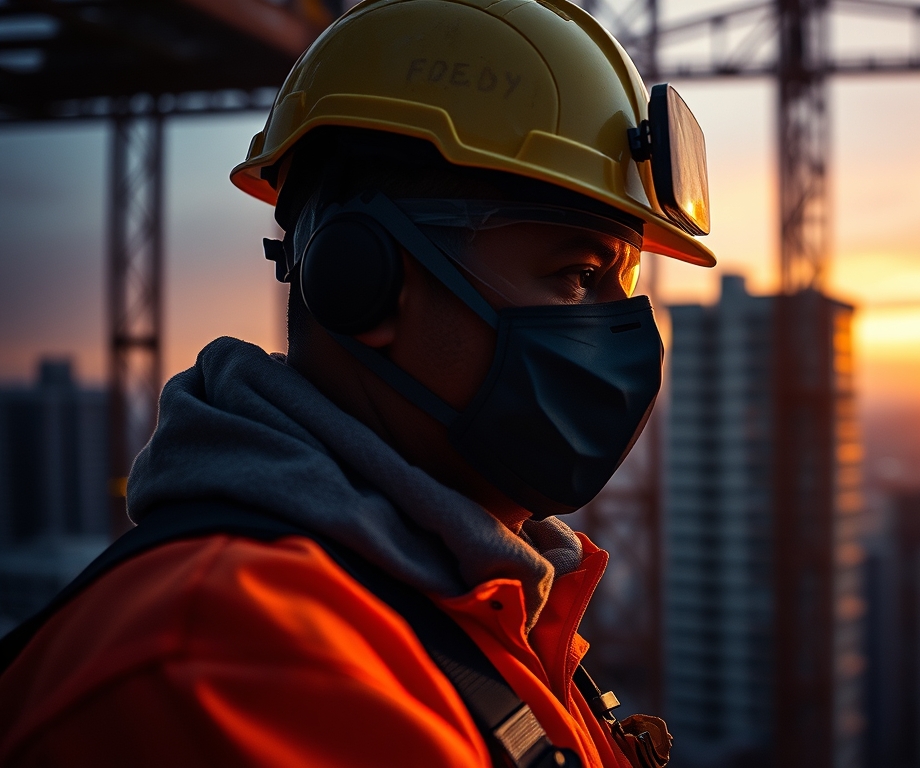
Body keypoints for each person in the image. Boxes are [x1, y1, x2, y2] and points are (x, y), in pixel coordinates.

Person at [0, 0, 714, 765]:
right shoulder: (239, 662)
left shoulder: (484, 600)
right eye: (578, 275)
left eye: (626, 276)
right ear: (363, 281)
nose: (627, 327)